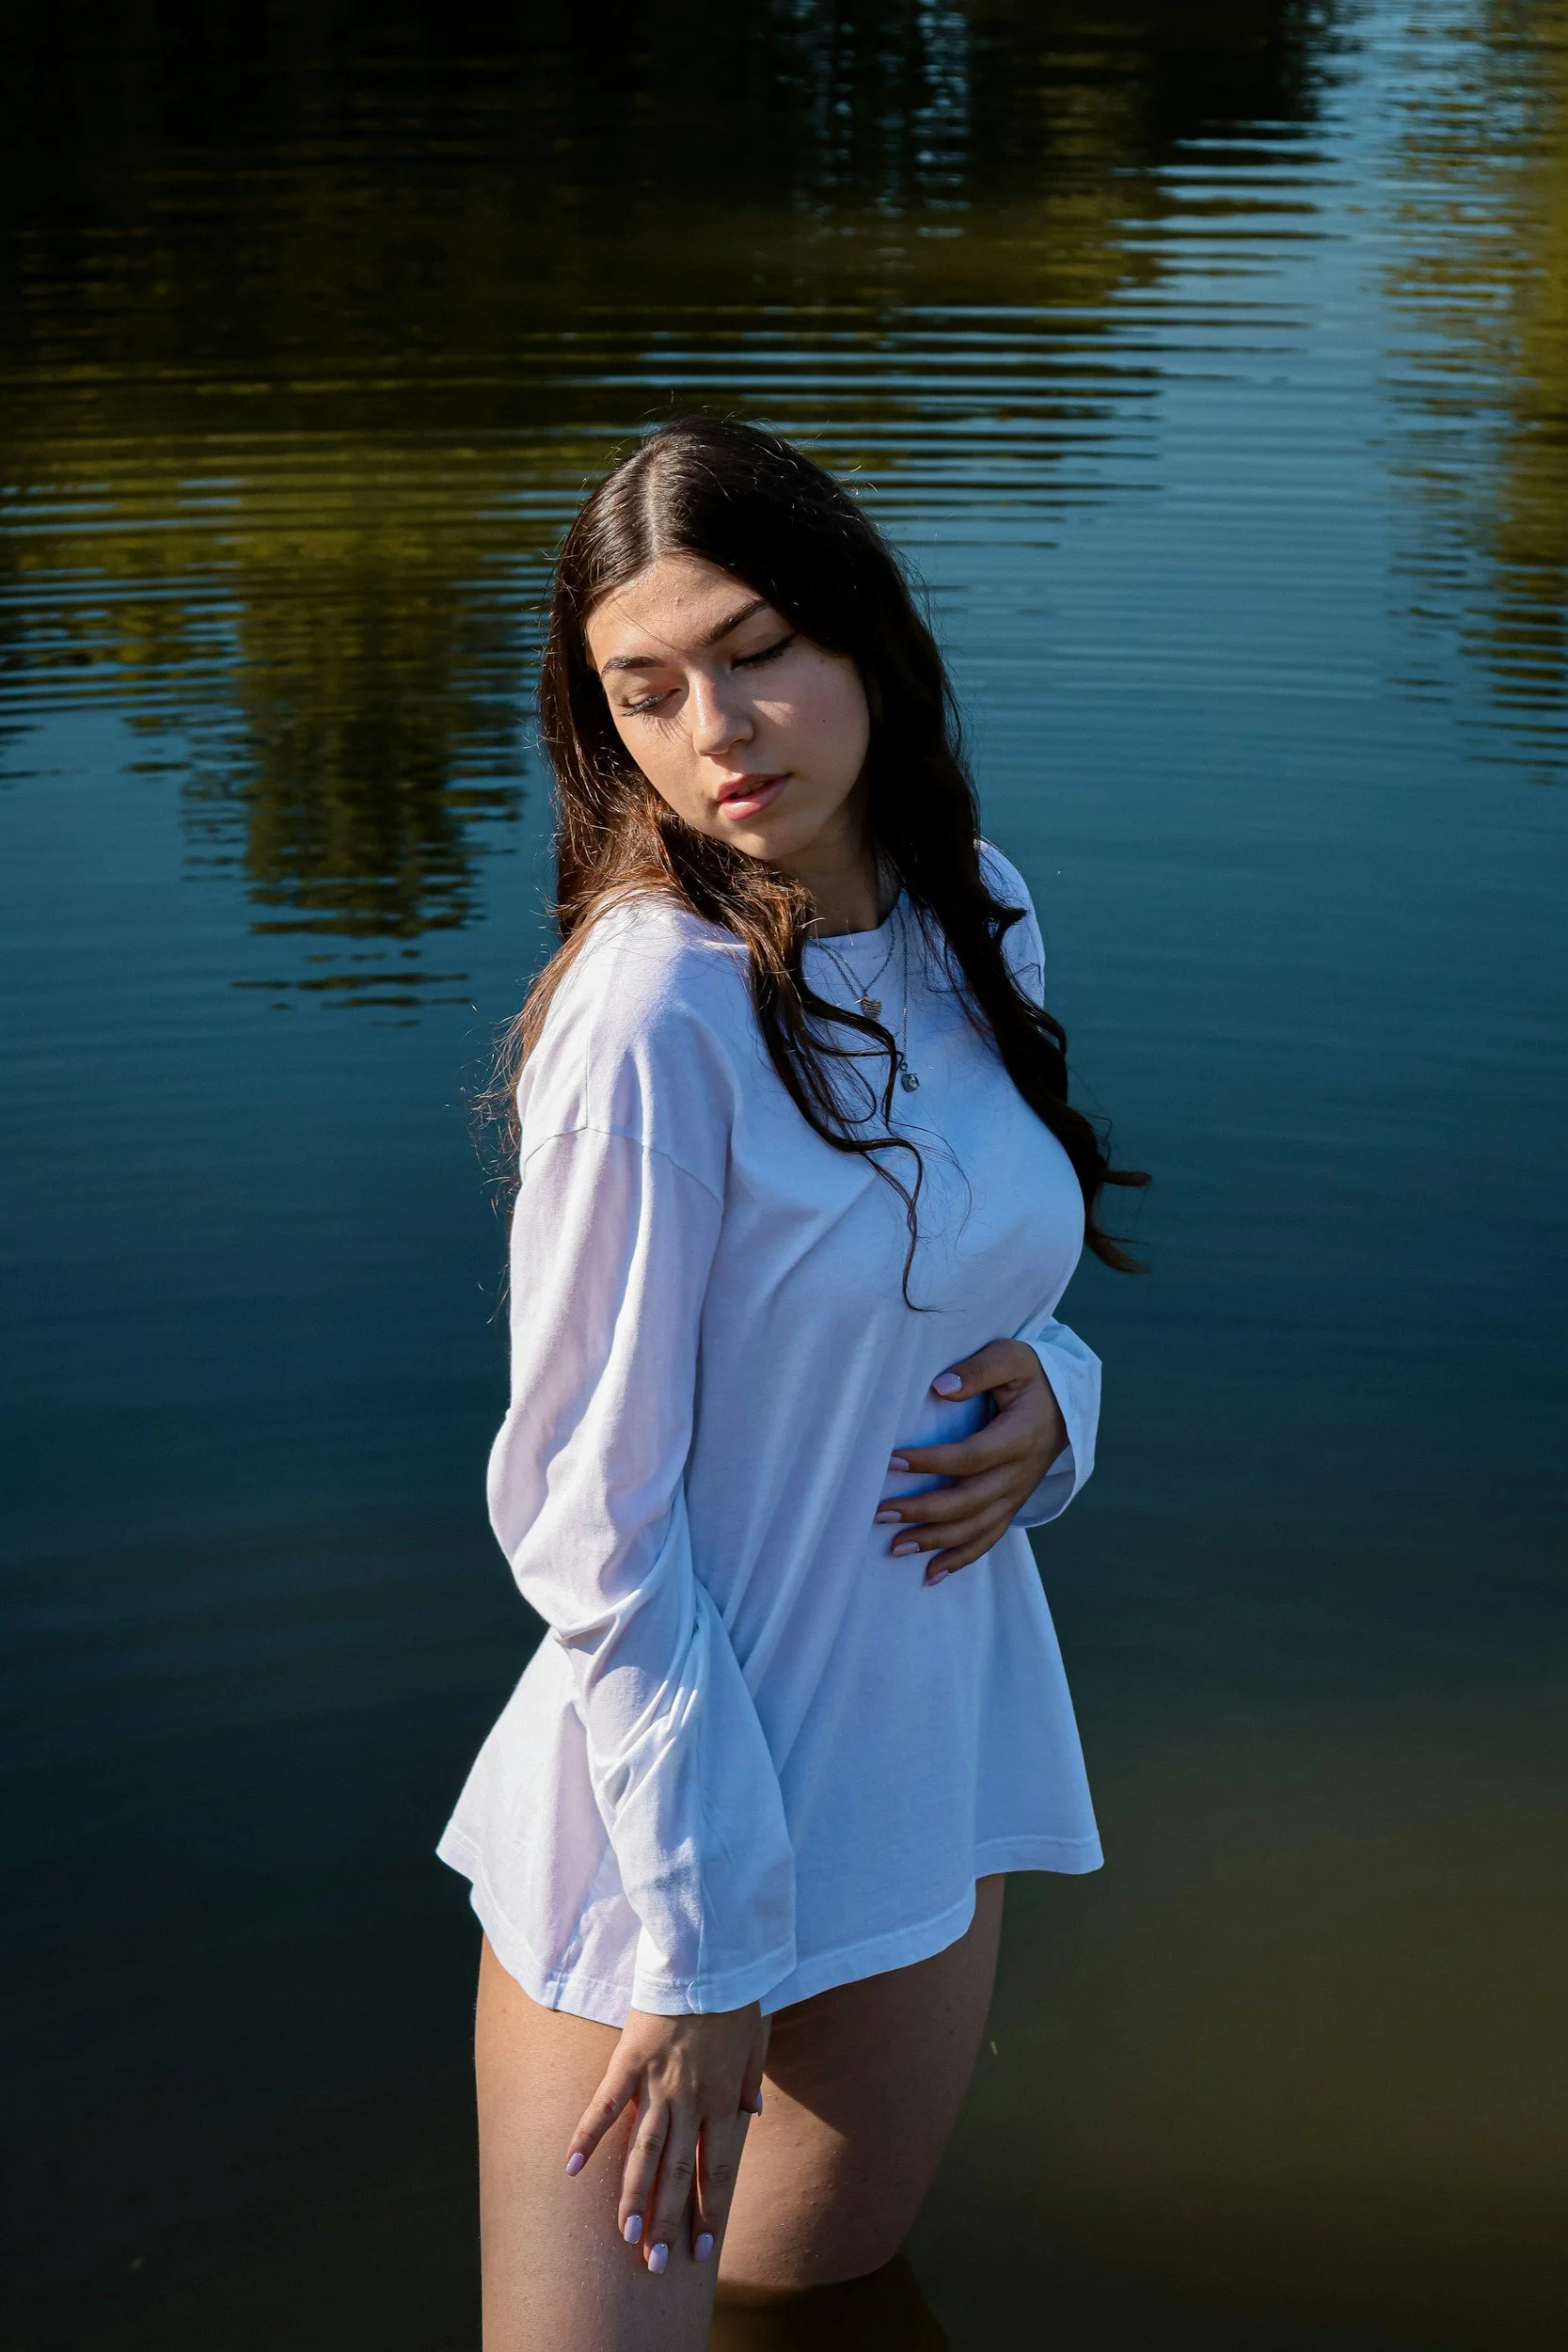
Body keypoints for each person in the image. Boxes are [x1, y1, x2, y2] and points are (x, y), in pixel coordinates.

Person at [437, 414, 1145, 2351]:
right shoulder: (649, 1008)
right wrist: (698, 1934)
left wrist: (1061, 1404)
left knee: (827, 2318)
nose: (716, 727)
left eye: (756, 650)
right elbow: (585, 1517)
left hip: (923, 1767)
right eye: (642, 688)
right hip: (666, 1848)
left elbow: (964, 1283)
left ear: (863, 641)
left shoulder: (972, 908)